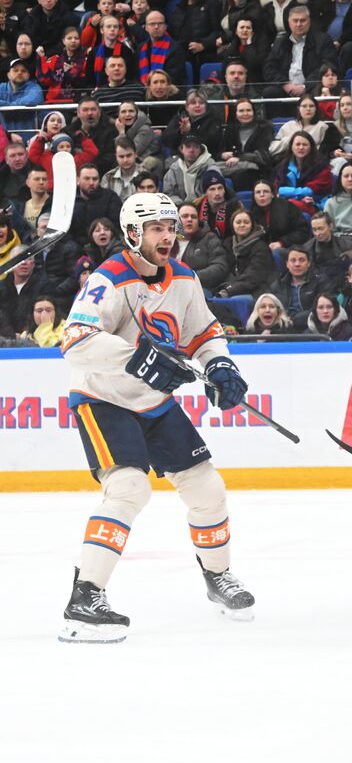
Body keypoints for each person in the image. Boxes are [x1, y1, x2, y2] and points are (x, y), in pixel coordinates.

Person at [56, 192, 254, 643]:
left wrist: (220, 364)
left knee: (207, 488)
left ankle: (218, 577)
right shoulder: (109, 278)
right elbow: (75, 339)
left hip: (154, 402)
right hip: (103, 399)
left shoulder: (184, 277)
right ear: (132, 234)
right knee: (128, 487)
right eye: (156, 229)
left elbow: (203, 331)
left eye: (171, 228)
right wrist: (138, 358)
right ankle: (86, 596)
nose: (167, 236)